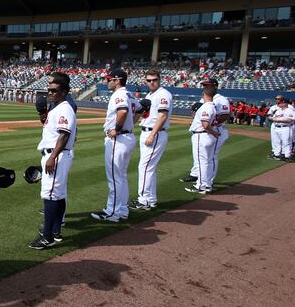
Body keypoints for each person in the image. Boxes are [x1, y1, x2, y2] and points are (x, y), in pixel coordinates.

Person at [29, 72, 76, 249]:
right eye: (48, 90)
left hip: (57, 155)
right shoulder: (57, 107)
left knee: (50, 195)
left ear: (64, 92)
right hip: (56, 154)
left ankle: (47, 236)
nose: (50, 93)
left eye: (54, 90)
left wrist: (53, 157)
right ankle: (55, 231)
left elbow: (64, 135)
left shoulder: (65, 108)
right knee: (59, 194)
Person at [91, 68, 136, 222]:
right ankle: (122, 209)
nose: (107, 81)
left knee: (115, 178)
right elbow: (143, 108)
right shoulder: (129, 94)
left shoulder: (119, 94)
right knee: (121, 177)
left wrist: (117, 129)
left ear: (117, 80)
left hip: (119, 139)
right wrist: (130, 125)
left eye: (109, 79)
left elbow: (122, 112)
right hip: (127, 137)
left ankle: (112, 212)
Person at [130, 69, 172, 211]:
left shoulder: (163, 94)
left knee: (145, 167)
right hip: (148, 132)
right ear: (145, 81)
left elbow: (162, 116)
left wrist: (152, 134)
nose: (152, 82)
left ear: (160, 80)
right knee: (149, 168)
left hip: (155, 134)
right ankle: (151, 199)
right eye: (149, 80)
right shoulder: (150, 94)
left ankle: (143, 201)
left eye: (154, 80)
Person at [180, 78, 230, 185]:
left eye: (208, 85)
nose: (205, 87)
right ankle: (196, 175)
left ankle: (208, 181)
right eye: (204, 85)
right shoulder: (205, 99)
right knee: (201, 156)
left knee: (211, 157)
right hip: (206, 131)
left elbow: (225, 115)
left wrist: (212, 124)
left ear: (215, 87)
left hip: (216, 130)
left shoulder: (221, 99)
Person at [184, 84, 220, 194]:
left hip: (202, 135)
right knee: (207, 161)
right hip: (207, 136)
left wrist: (214, 132)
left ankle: (201, 185)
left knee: (201, 162)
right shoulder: (213, 106)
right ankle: (207, 184)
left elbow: (205, 124)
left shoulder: (206, 107)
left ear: (203, 94)